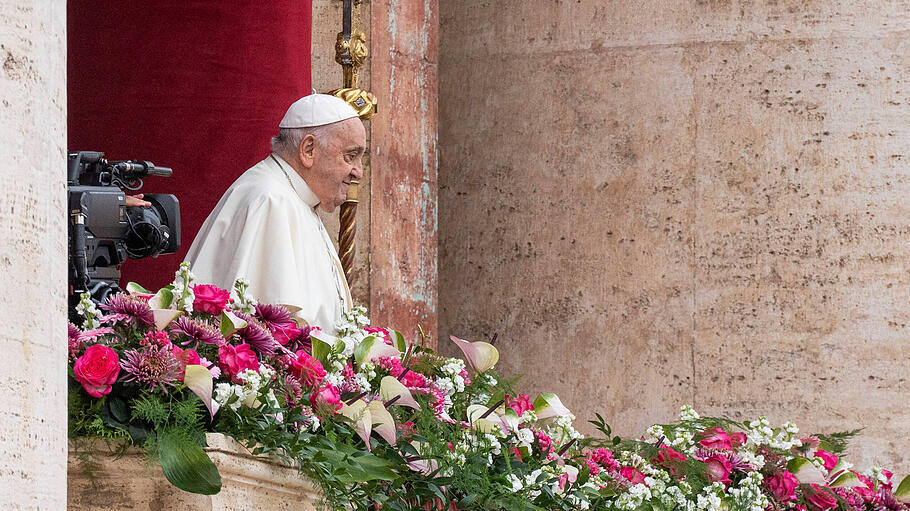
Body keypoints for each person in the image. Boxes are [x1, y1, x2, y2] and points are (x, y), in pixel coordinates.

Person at [185, 94, 366, 333]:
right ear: (308, 149)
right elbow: (261, 336)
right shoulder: (270, 200)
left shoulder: (298, 199)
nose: (358, 172)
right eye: (350, 156)